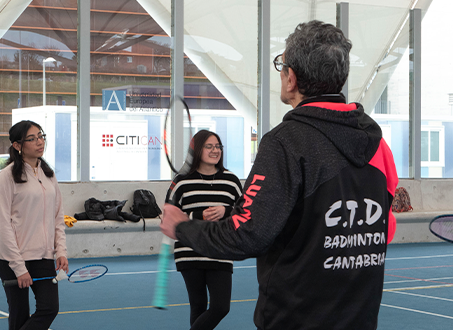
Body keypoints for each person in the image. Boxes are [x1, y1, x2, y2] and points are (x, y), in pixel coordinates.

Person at [160, 20, 398, 330]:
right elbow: (385, 230)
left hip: (295, 320)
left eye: (281, 67)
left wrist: (183, 228)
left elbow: (247, 235)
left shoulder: (285, 142)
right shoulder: (379, 146)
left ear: (291, 79)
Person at [0, 120, 68, 330]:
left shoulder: (49, 175)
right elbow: (3, 224)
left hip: (43, 256)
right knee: (19, 314)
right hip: (10, 257)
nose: (39, 142)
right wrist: (18, 267)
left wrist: (60, 250)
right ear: (17, 145)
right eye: (32, 139)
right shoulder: (7, 176)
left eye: (41, 136)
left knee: (49, 308)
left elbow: (57, 217)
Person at [165, 130, 242, 330]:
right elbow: (168, 217)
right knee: (198, 306)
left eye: (218, 146)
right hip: (189, 251)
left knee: (221, 307)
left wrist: (226, 211)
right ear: (197, 149)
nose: (215, 150)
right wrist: (199, 216)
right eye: (209, 146)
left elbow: (245, 213)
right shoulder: (180, 181)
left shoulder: (231, 181)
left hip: (221, 250)